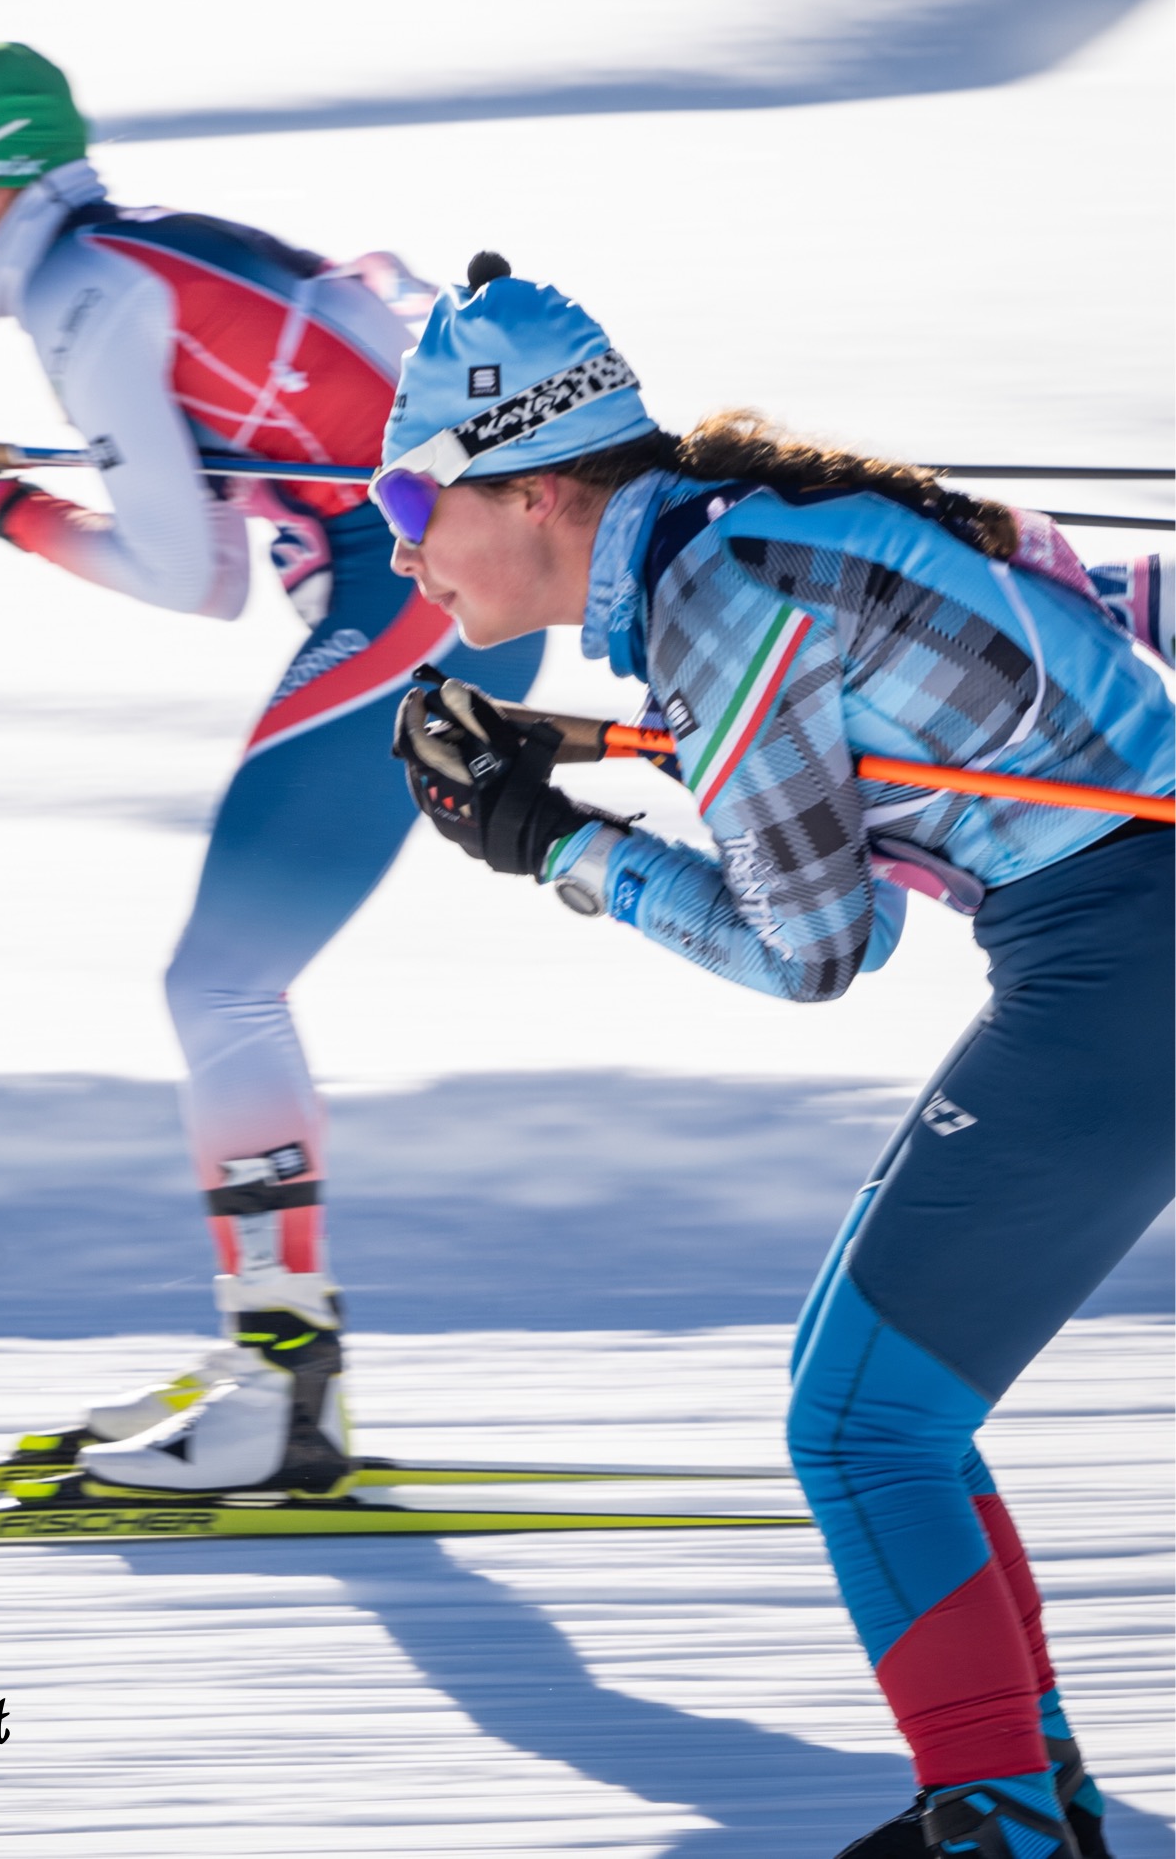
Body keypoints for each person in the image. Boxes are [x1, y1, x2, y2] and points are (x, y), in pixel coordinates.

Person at [373, 258, 1173, 1859]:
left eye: (409, 486)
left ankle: (1001, 1824)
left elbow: (811, 951)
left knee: (863, 1421)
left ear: (532, 490)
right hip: (1111, 958)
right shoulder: (724, 553)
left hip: (1127, 967)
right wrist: (566, 782)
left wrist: (557, 850)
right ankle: (1030, 1802)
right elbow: (841, 889)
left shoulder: (715, 595)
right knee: (870, 1396)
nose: (395, 533)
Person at [0, 43, 543, 1494]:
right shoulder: (126, 260)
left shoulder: (86, 292)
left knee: (219, 984)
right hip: (436, 583)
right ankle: (275, 1362)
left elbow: (196, 578)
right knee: (226, 983)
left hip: (426, 597)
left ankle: (284, 1392)